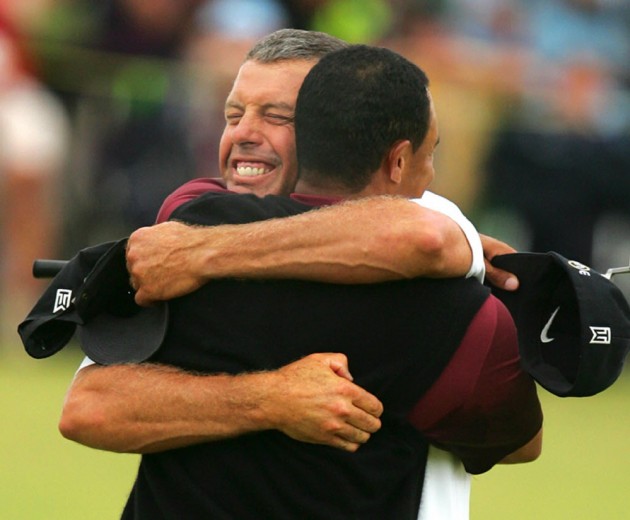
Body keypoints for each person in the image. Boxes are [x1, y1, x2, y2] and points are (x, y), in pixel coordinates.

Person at [61, 42, 542, 518]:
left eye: (276, 116)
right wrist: (268, 399)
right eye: (233, 115)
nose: (243, 133)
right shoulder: (185, 227)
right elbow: (90, 408)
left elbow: (424, 238)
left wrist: (205, 253)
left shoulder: (431, 224)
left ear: (332, 126)